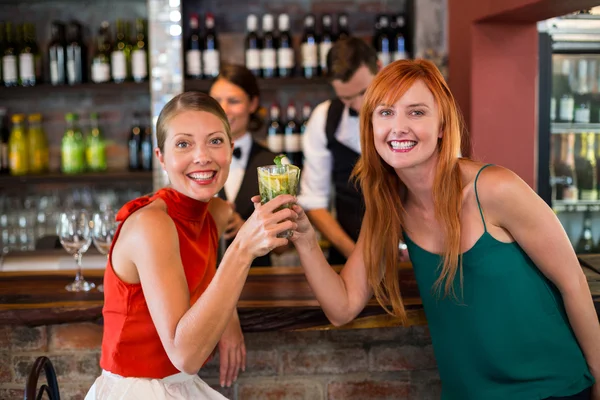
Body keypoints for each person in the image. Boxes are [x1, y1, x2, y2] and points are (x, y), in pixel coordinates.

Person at [286, 59, 600, 400]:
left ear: (441, 126)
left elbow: (573, 282)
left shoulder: (494, 189)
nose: (398, 127)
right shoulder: (389, 207)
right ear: (370, 125)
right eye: (386, 112)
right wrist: (303, 237)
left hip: (551, 390)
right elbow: (342, 307)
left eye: (417, 112)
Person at [85, 92, 296, 399]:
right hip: (137, 389)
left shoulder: (218, 212)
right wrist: (242, 249)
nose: (203, 156)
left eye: (215, 141)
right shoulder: (151, 225)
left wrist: (229, 317)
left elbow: (207, 273)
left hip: (180, 384)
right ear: (161, 157)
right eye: (184, 144)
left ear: (231, 148)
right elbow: (185, 355)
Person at [297, 37, 379, 265]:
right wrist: (357, 258)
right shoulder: (324, 118)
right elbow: (314, 202)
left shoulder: (411, 113)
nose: (358, 105)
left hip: (413, 253)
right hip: (348, 254)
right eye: (346, 97)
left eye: (363, 92)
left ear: (379, 68)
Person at [209, 63, 278, 267]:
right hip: (204, 283)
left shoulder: (273, 164)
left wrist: (250, 229)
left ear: (253, 103)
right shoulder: (193, 162)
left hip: (258, 280)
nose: (223, 109)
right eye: (216, 101)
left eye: (233, 101)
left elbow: (286, 244)